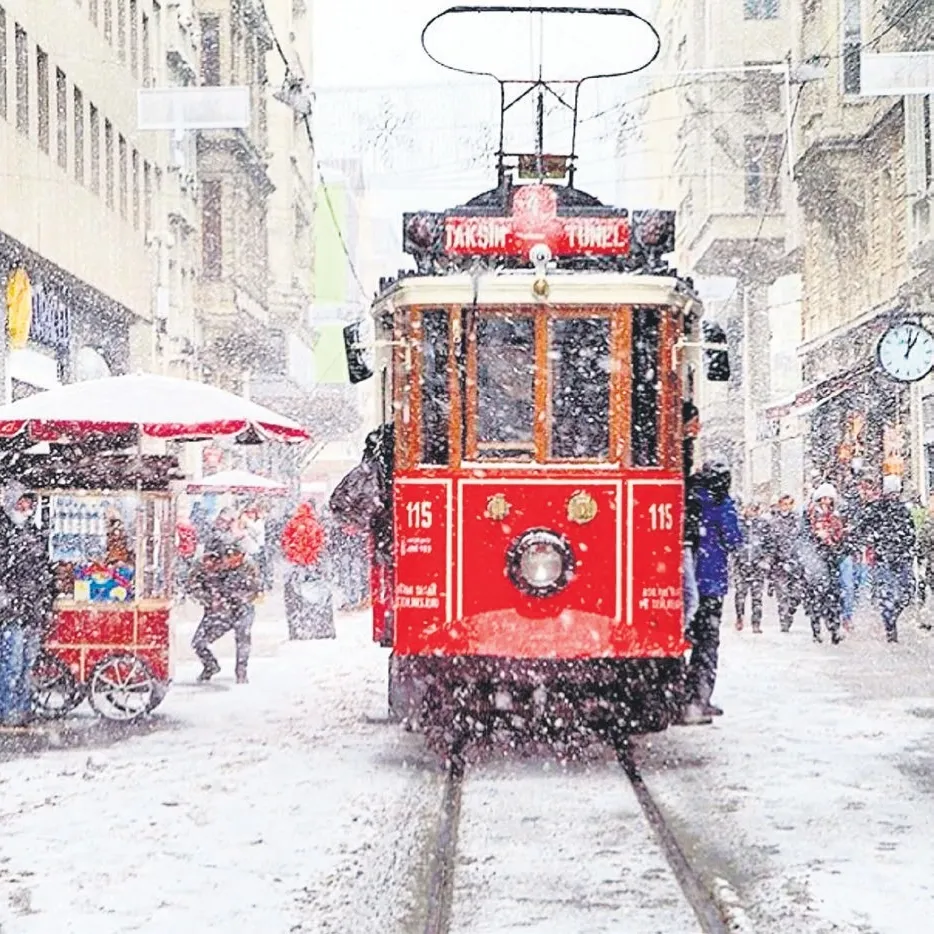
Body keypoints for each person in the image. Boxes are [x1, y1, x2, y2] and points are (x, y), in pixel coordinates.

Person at [681, 459, 742, 726]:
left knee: (687, 640)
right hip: (711, 582)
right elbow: (734, 539)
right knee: (707, 645)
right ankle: (699, 700)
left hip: (686, 580)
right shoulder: (721, 504)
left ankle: (683, 697)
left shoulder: (690, 498)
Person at [0, 484, 54, 727]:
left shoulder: (32, 532)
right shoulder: (4, 532)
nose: (26, 507)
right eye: (22, 502)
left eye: (28, 503)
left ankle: (22, 708)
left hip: (31, 611)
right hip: (12, 612)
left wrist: (45, 600)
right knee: (11, 664)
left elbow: (43, 570)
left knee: (26, 665)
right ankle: (8, 710)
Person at [187, 536, 261, 684]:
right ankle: (210, 666)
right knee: (198, 642)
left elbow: (256, 589)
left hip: (241, 608)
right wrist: (209, 599)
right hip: (217, 612)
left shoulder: (244, 565)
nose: (211, 562)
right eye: (209, 557)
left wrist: (238, 597)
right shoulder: (200, 567)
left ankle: (241, 672)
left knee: (243, 635)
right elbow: (192, 588)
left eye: (217, 558)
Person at [863, 475, 916, 643]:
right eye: (891, 492)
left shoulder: (902, 510)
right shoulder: (876, 509)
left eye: (896, 492)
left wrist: (908, 547)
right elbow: (863, 528)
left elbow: (910, 531)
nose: (893, 496)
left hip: (900, 557)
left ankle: (891, 618)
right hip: (884, 558)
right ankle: (890, 626)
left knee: (907, 592)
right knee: (887, 594)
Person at [800, 483, 845, 644]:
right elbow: (803, 537)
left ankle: (834, 628)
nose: (826, 501)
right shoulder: (810, 514)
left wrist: (835, 543)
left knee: (833, 596)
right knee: (816, 596)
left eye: (829, 498)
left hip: (831, 559)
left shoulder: (836, 516)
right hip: (815, 559)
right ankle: (816, 629)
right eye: (823, 498)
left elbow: (841, 536)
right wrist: (815, 541)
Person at [733, 502, 771, 633]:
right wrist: (737, 556)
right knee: (740, 595)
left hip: (757, 565)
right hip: (741, 565)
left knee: (757, 597)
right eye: (750, 509)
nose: (752, 512)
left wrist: (765, 558)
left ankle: (756, 622)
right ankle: (740, 617)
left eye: (755, 510)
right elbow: (733, 542)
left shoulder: (762, 525)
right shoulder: (739, 524)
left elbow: (769, 543)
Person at [768, 494, 803, 632]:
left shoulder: (797, 521)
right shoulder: (774, 522)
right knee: (782, 594)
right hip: (779, 563)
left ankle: (790, 610)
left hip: (795, 562)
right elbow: (770, 543)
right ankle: (784, 620)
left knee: (796, 594)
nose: (786, 507)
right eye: (784, 504)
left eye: (789, 504)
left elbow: (801, 539)